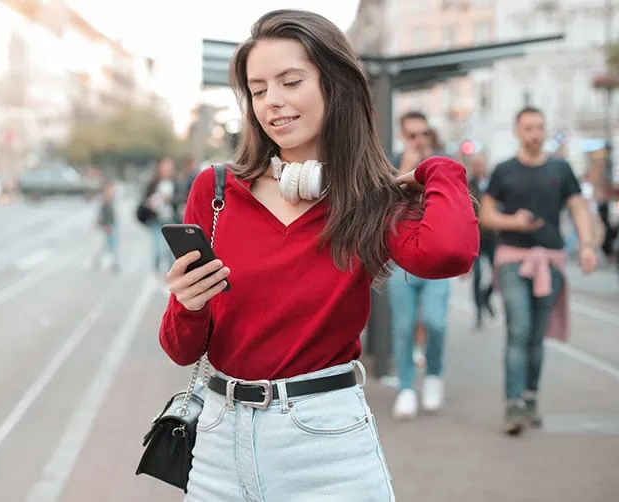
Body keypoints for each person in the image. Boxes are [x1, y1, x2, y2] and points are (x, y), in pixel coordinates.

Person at [157, 9, 478, 500]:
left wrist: (439, 170)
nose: (272, 101)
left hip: (327, 448)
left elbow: (449, 254)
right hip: (219, 446)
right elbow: (181, 349)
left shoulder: (371, 200)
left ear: (335, 85)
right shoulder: (216, 192)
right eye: (258, 90)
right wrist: (187, 302)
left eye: (290, 82)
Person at [481, 106, 598, 436]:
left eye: (539, 127)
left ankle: (530, 398)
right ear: (517, 131)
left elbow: (578, 208)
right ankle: (513, 405)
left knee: (536, 335)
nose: (535, 133)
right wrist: (513, 222)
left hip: (551, 261)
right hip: (512, 259)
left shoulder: (561, 169)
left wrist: (587, 245)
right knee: (519, 328)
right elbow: (485, 215)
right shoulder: (504, 170)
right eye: (529, 128)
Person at [387, 113, 455, 419]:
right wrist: (405, 170)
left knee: (435, 321)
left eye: (423, 134)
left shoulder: (441, 164)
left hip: (436, 258)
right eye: (412, 135)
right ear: (403, 137)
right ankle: (406, 387)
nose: (418, 140)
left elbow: (456, 206)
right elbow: (384, 205)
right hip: (401, 259)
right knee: (403, 326)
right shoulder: (392, 163)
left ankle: (434, 374)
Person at [467, 153, 497, 329]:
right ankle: (478, 311)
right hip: (476, 238)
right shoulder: (468, 184)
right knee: (477, 275)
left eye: (481, 164)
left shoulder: (492, 183)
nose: (479, 167)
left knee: (497, 275)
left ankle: (486, 297)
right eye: (476, 164)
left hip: (492, 237)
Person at [92, 180, 119, 273]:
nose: (112, 191)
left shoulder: (111, 200)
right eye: (110, 190)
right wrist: (105, 225)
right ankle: (110, 262)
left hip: (113, 225)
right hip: (108, 226)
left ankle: (114, 263)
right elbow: (102, 215)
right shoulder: (104, 202)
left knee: (112, 245)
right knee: (107, 245)